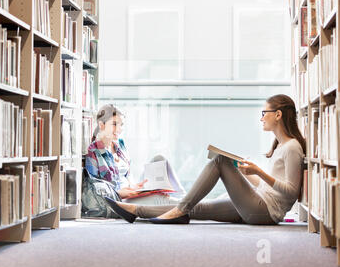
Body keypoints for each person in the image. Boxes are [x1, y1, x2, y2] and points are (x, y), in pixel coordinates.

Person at [104, 94, 305, 225]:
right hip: (258, 202)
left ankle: (179, 211)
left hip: (264, 212)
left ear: (278, 115)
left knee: (221, 162)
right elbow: (269, 187)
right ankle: (134, 210)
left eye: (265, 113)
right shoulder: (280, 146)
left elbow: (292, 192)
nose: (261, 118)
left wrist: (259, 171)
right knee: (199, 207)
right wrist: (250, 174)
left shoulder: (292, 147)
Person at [85, 104, 186, 207]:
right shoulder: (94, 151)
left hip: (131, 192)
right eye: (114, 124)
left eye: (121, 125)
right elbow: (94, 190)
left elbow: (127, 176)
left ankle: (184, 198)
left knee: (160, 159)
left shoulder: (120, 144)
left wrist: (136, 187)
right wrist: (119, 193)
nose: (119, 129)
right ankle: (187, 205)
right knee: (160, 200)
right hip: (120, 200)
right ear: (102, 125)